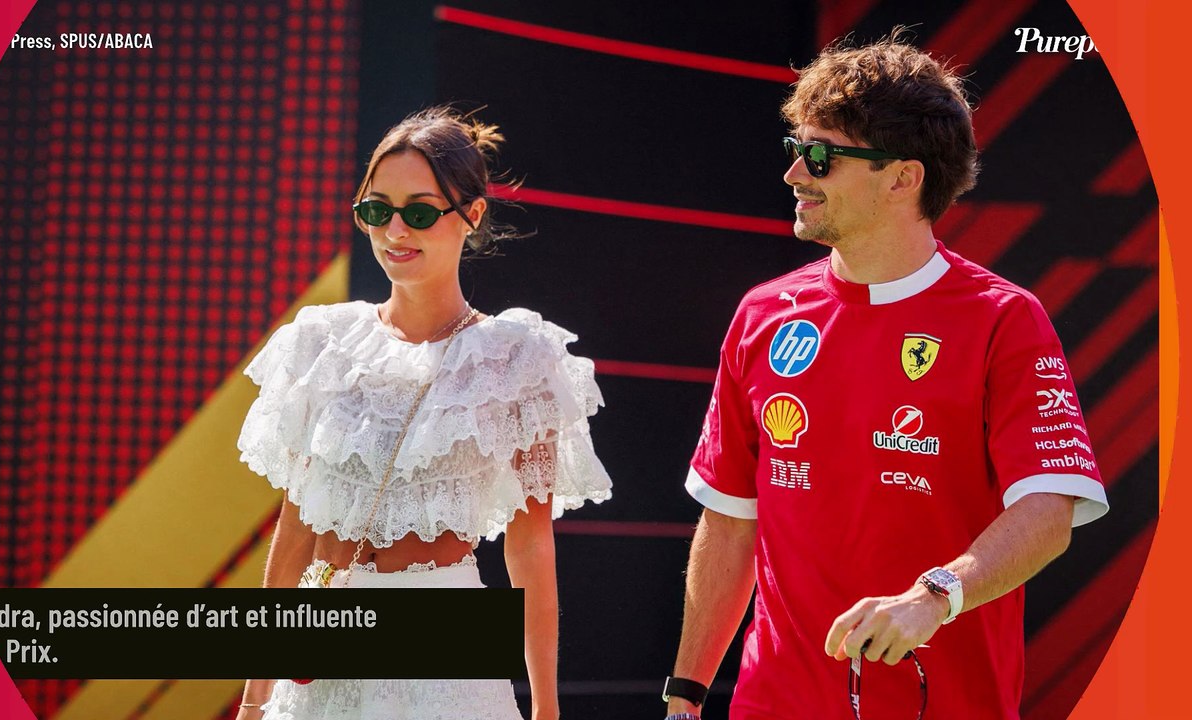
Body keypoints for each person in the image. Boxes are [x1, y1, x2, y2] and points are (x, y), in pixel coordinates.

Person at [663, 32, 1109, 720]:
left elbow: (1049, 512)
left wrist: (934, 595)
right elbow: (729, 523)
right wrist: (685, 695)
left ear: (903, 178)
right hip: (772, 703)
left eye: (820, 156)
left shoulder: (1005, 320)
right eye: (795, 150)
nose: (794, 175)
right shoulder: (761, 315)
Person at [234, 106, 612, 720]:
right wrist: (254, 697)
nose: (395, 232)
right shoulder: (322, 341)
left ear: (472, 216)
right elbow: (296, 526)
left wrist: (545, 709)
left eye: (419, 211)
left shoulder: (517, 358)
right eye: (377, 210)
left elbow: (530, 546)